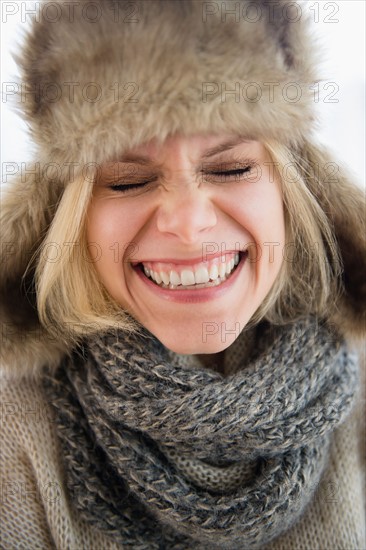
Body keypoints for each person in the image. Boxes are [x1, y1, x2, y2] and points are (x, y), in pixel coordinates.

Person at [1, 1, 365, 548]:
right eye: (127, 180)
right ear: (70, 218)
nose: (190, 224)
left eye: (231, 168)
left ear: (293, 194)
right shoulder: (12, 432)